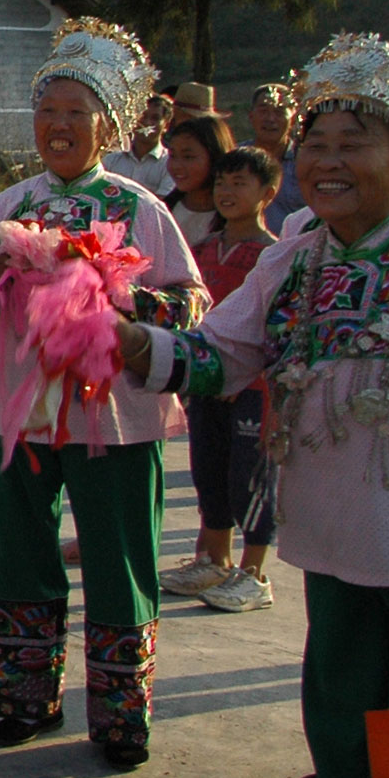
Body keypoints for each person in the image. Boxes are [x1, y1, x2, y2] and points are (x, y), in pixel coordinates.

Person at [117, 33, 389, 778]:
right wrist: (132, 339)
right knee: (338, 708)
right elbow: (223, 351)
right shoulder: (299, 256)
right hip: (329, 541)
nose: (327, 163)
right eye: (316, 144)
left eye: (353, 144)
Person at [0, 19, 207, 771]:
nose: (58, 125)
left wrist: (116, 298)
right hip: (22, 406)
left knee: (119, 554)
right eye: (48, 110)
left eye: (75, 112)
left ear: (108, 125)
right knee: (22, 549)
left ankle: (122, 712)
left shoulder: (139, 207)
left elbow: (191, 300)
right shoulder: (14, 201)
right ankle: (28, 697)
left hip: (113, 411)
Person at [158, 145, 283, 612]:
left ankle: (254, 574)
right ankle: (214, 560)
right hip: (206, 382)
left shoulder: (273, 256)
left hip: (253, 389)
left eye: (240, 183)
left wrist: (247, 375)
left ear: (268, 193)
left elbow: (276, 326)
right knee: (208, 469)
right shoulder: (205, 250)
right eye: (222, 184)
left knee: (249, 477)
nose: (228, 192)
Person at [161, 114, 235, 247]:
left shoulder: (235, 220)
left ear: (215, 157)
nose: (176, 166)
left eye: (188, 157)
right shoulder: (163, 211)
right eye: (172, 156)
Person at [246, 80, 309, 231]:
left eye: (279, 112)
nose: (270, 119)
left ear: (293, 118)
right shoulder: (235, 158)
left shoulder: (306, 160)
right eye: (263, 111)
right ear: (251, 116)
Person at [102, 92, 175, 198]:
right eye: (142, 116)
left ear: (166, 125)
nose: (147, 123)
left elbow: (162, 203)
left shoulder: (169, 164)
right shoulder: (111, 161)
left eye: (155, 118)